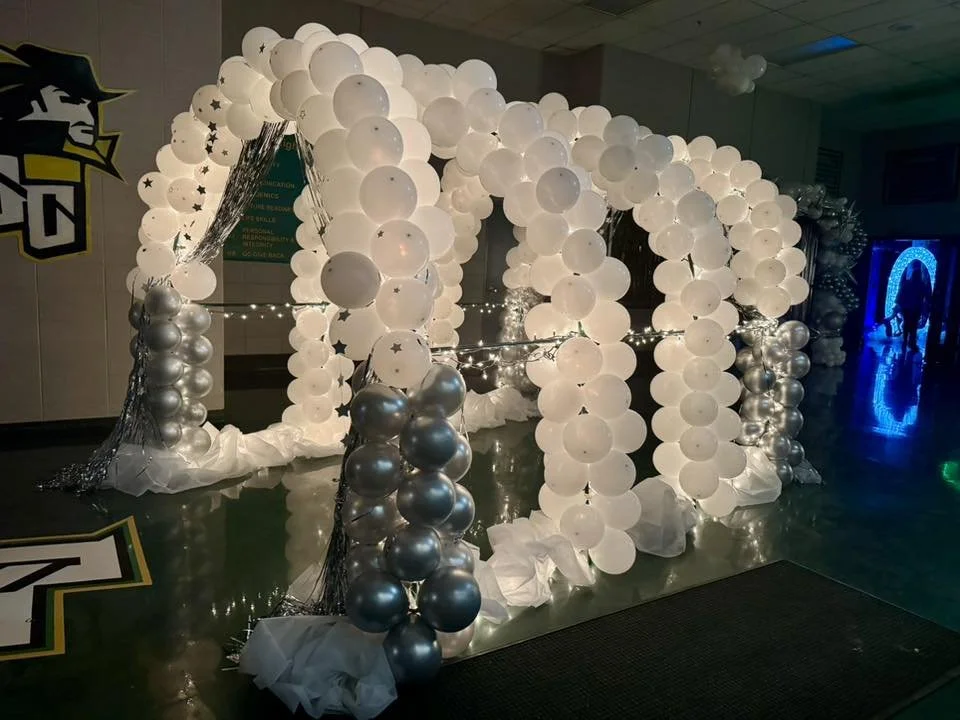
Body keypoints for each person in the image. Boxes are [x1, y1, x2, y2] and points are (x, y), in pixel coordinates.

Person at [895, 260, 931, 352]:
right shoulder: (921, 284)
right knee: (913, 325)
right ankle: (911, 342)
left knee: (907, 323)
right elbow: (926, 295)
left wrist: (898, 303)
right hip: (916, 307)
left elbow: (900, 294)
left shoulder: (907, 283)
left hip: (906, 307)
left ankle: (905, 340)